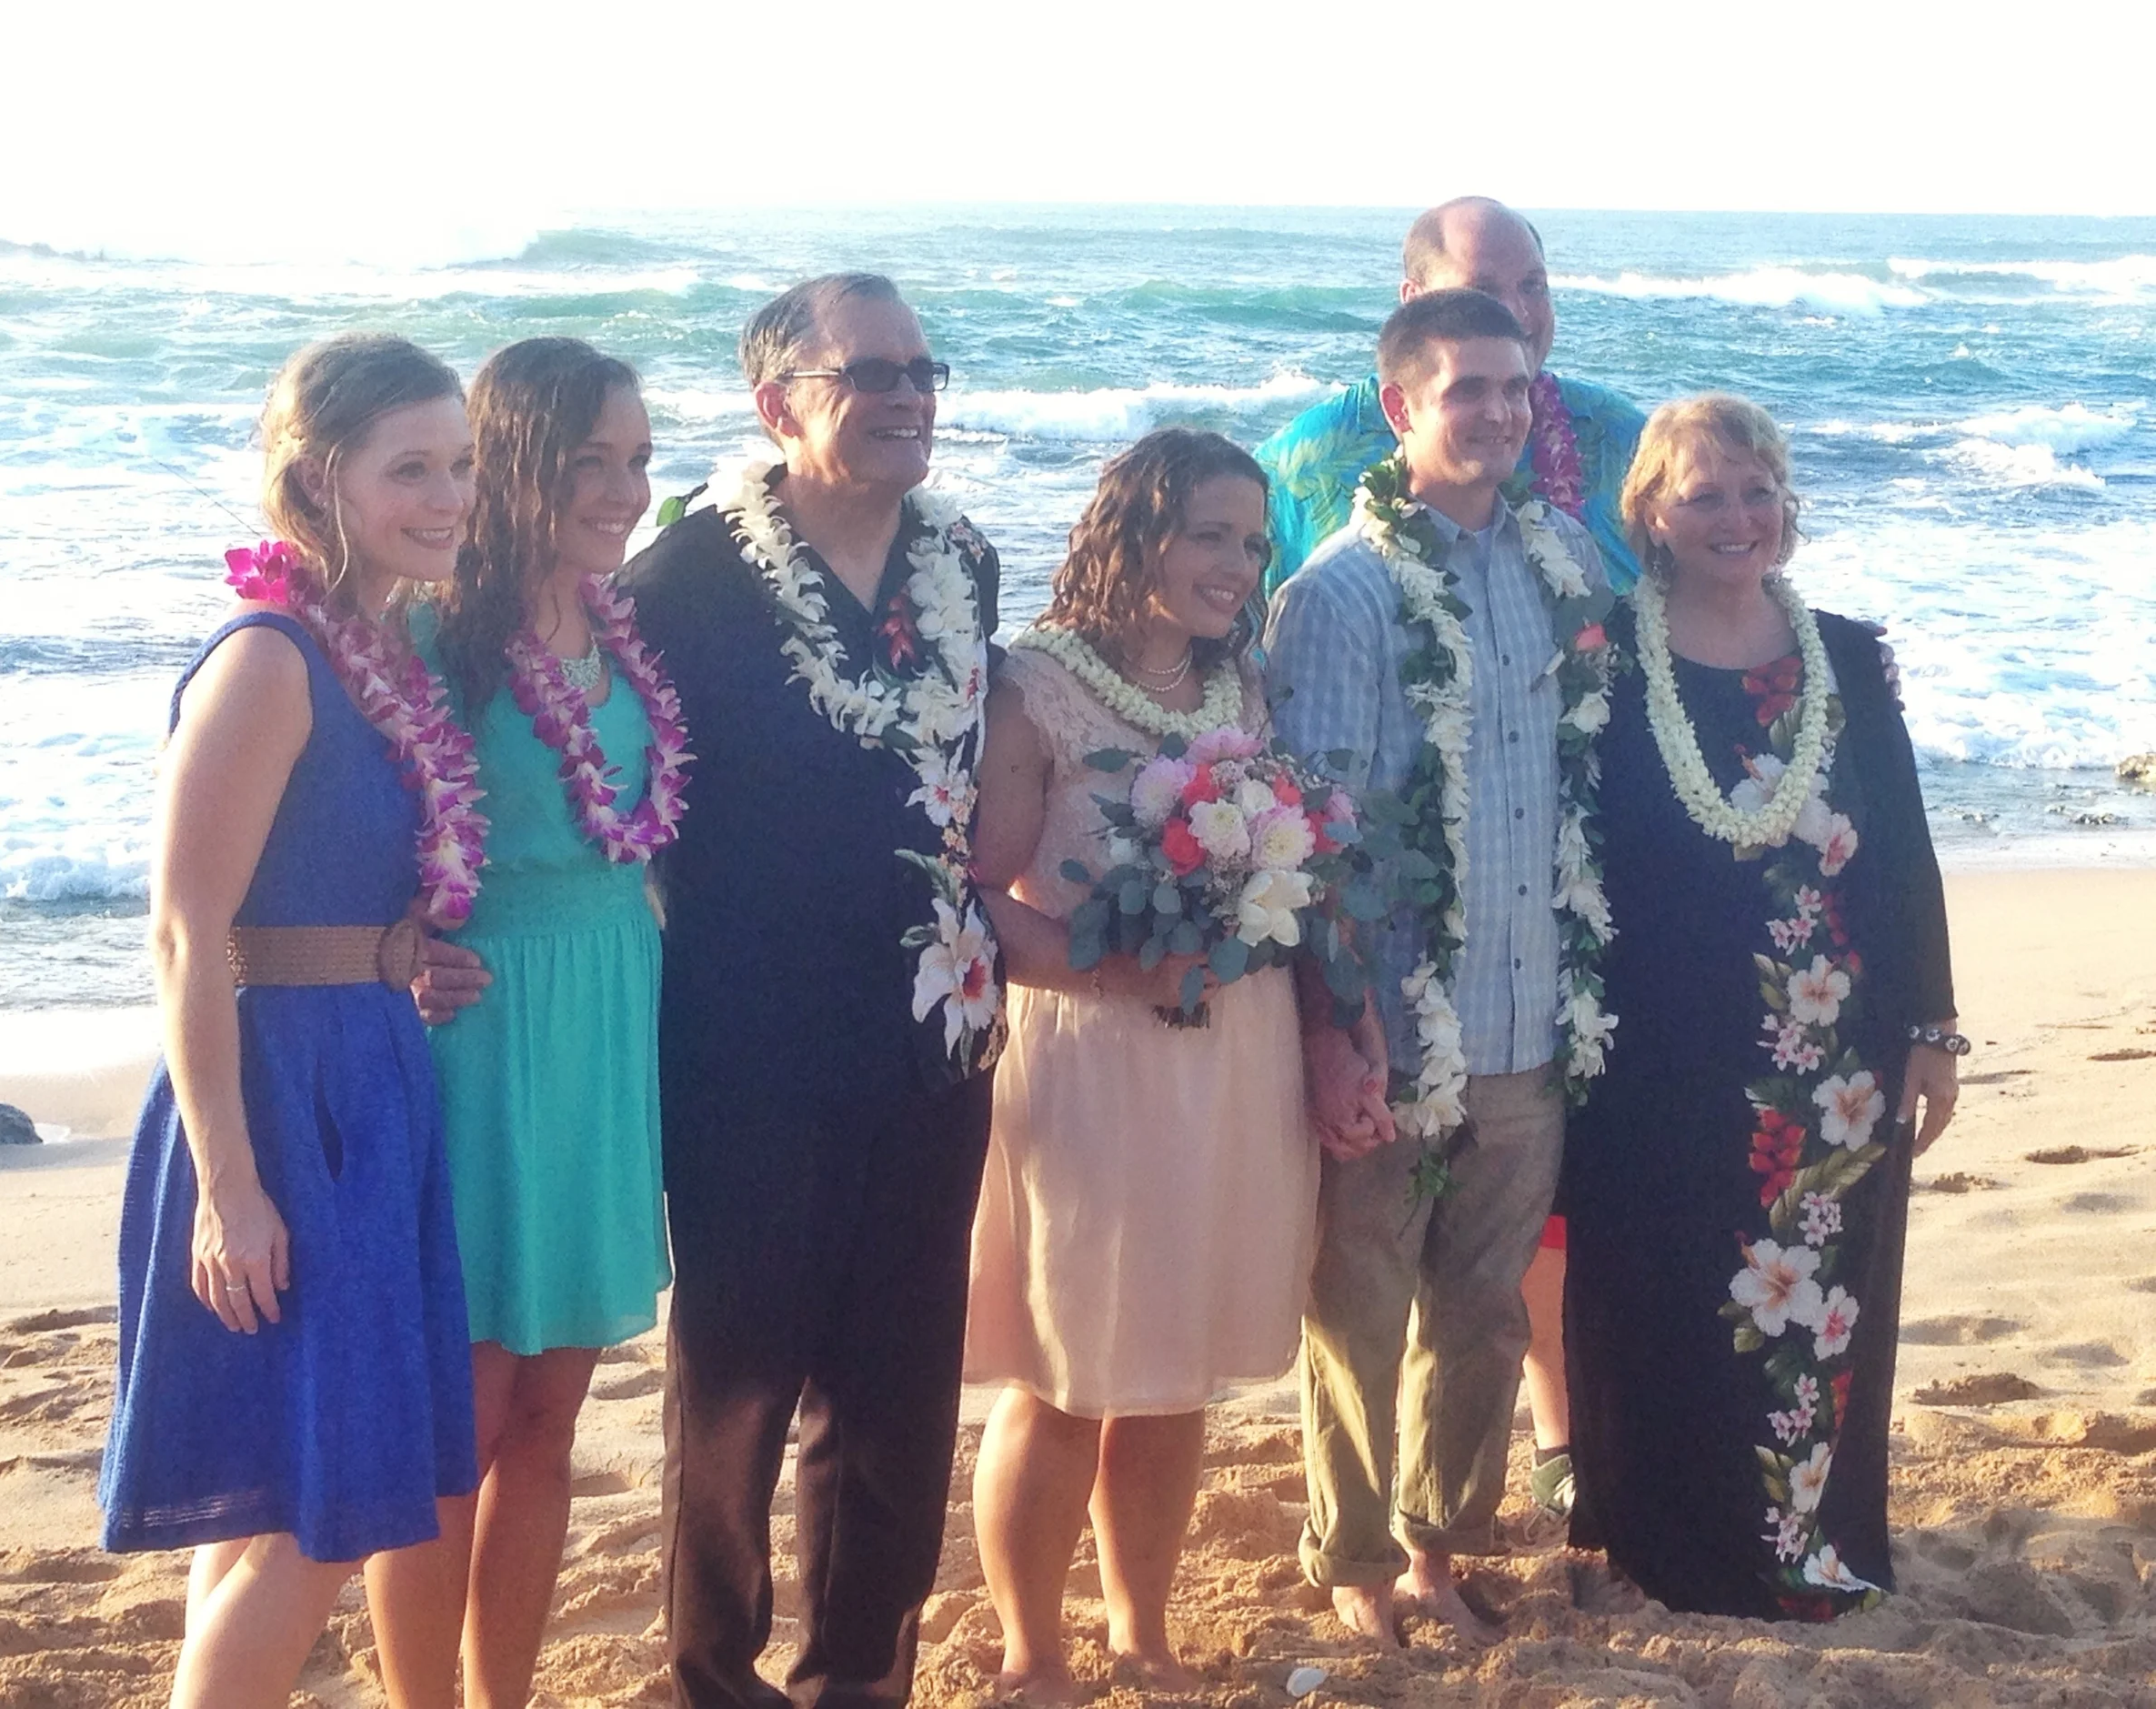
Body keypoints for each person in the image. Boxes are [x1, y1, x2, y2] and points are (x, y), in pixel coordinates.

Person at [624, 273, 1003, 1709]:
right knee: (737, 1383)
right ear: (777, 403)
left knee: (903, 1381)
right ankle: (708, 1672)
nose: (910, 394)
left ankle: (862, 1671)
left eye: (924, 368)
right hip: (748, 1037)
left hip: (935, 1032)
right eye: (872, 372)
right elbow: (626, 814)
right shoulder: (683, 582)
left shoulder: (962, 558)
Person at [97, 333, 483, 1709]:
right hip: (274, 1104)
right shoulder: (269, 659)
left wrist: (403, 955)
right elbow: (186, 932)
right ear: (320, 482)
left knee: (274, 1503)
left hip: (367, 1078)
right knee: (321, 1518)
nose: (449, 495)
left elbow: (318, 879)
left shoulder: (376, 648)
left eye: (462, 463)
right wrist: (229, 1187)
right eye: (412, 468)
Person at [1259, 197, 1640, 1515]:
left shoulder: (1565, 564)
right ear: (1398, 402)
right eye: (1467, 389)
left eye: (1517, 388)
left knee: (1486, 1315)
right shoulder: (1340, 592)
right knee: (1359, 1309)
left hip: (1531, 1015)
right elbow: (1315, 836)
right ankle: (1360, 1560)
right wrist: (1337, 1025)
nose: (1498, 411)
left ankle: (1443, 1540)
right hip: (1394, 1027)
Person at [1562, 394, 1960, 1619]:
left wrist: (1932, 1026)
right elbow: (1568, 847)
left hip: (1835, 1043)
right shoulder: (1603, 656)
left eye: (1758, 491)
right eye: (1706, 495)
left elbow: (1900, 843)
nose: (1738, 516)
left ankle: (1812, 1537)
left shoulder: (1844, 650)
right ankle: (1660, 1537)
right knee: (1663, 1283)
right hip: (1655, 1042)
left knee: (1822, 1289)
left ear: (1788, 506)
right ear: (1652, 517)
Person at [965, 428, 1333, 1700]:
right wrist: (1112, 968)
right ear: (1134, 531)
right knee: (1071, 1366)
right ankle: (1032, 1647)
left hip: (1235, 1051)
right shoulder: (1034, 683)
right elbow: (971, 895)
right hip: (1094, 1056)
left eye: (1251, 540)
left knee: (1172, 1370)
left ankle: (1143, 1632)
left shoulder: (1243, 683)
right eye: (1208, 535)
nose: (1237, 564)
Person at [369, 338, 687, 1705]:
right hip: (483, 1031)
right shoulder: (435, 636)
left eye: (638, 460)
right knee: (468, 1419)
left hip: (611, 1021)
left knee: (556, 1416)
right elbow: (325, 827)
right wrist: (392, 948)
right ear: (516, 464)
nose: (623, 489)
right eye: (590, 460)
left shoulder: (626, 633)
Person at [1259, 195, 1645, 597]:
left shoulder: (1620, 440)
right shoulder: (1301, 467)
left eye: (1533, 286)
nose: (1518, 314)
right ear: (1413, 299)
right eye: (1483, 290)